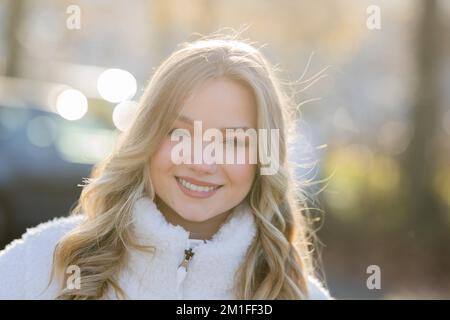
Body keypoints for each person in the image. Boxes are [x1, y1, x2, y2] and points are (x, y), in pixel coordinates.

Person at [0, 33, 332, 300]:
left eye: (233, 141)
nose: (202, 162)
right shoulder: (40, 263)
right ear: (146, 135)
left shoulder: (298, 294)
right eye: (179, 133)